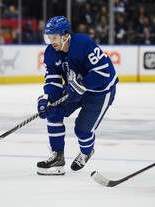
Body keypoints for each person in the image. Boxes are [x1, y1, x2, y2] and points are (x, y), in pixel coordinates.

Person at [36, 16, 118, 175]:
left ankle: (86, 152)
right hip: (75, 88)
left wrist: (82, 84)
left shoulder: (83, 44)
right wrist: (48, 99)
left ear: (65, 35)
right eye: (49, 37)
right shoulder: (51, 53)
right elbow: (52, 78)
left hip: (100, 91)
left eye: (55, 37)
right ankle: (58, 157)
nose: (52, 41)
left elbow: (104, 72)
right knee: (53, 112)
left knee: (82, 131)